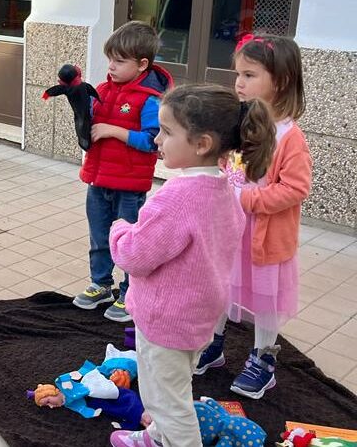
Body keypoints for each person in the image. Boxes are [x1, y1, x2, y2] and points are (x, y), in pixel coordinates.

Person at [109, 84, 277, 447]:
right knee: (173, 386)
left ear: (201, 144)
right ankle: (156, 438)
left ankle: (173, 438)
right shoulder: (224, 192)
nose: (157, 139)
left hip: (166, 319)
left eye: (168, 132)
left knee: (166, 401)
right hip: (196, 316)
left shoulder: (177, 197)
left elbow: (133, 256)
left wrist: (119, 230)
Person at [195, 34, 312, 400]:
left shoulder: (290, 138)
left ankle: (263, 359)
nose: (238, 83)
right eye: (237, 74)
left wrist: (246, 198)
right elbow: (228, 165)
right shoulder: (241, 122)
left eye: (249, 75)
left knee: (265, 302)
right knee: (221, 288)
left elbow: (295, 189)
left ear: (281, 81)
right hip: (231, 231)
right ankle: (213, 345)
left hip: (265, 239)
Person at [72, 21, 173, 322]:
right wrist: (79, 102)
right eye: (109, 59)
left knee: (130, 242)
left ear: (142, 64)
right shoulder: (102, 89)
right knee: (99, 238)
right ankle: (100, 285)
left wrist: (113, 131)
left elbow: (151, 142)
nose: (111, 66)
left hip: (129, 186)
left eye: (119, 60)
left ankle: (130, 293)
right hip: (99, 180)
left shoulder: (150, 100)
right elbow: (90, 125)